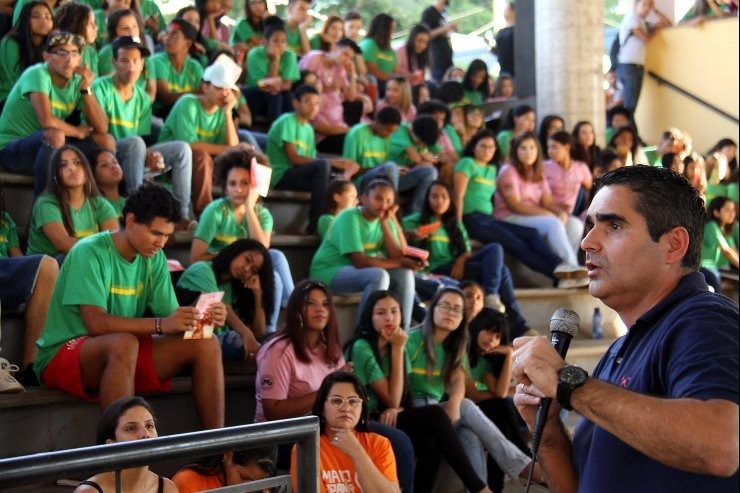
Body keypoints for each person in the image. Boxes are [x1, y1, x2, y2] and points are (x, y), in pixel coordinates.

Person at [513, 166, 739, 491]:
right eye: (590, 225)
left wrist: (569, 384)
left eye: (613, 225)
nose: (587, 242)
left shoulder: (704, 318)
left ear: (674, 244)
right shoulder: (621, 348)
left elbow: (720, 446)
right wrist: (546, 430)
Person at [33, 184, 227, 429]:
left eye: (167, 235)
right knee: (123, 342)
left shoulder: (154, 257)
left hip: (123, 352)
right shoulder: (89, 251)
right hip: (65, 352)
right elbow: (96, 323)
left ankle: (218, 450)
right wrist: (160, 324)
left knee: (206, 343)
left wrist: (200, 316)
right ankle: (123, 456)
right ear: (132, 221)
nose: (162, 243)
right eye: (156, 233)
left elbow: (170, 317)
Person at [345, 290, 494, 493]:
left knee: (431, 441)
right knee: (435, 414)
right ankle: (478, 488)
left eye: (394, 311)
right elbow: (391, 399)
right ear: (369, 317)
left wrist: (397, 407)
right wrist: (398, 350)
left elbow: (402, 395)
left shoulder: (397, 344)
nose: (389, 318)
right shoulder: (362, 347)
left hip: (389, 416)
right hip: (364, 419)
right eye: (381, 312)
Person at [406, 287, 541, 488]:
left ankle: (482, 488)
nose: (451, 313)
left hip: (439, 409)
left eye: (457, 309)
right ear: (432, 308)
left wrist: (453, 404)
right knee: (470, 407)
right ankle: (521, 464)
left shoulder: (456, 344)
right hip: (412, 411)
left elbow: (458, 377)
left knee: (470, 434)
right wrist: (455, 405)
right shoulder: (410, 340)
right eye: (445, 306)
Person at [454, 129, 588, 287]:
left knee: (559, 228)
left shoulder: (492, 169)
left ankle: (566, 269)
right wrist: (458, 224)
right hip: (481, 217)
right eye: (523, 148)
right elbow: (459, 196)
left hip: (488, 218)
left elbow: (547, 201)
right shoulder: (494, 168)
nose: (528, 152)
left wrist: (560, 212)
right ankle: (565, 273)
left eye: (532, 148)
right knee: (521, 242)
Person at [403, 180, 532, 338]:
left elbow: (466, 250)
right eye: (434, 196)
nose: (439, 201)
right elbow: (398, 236)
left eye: (444, 197)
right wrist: (411, 235)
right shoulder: (415, 220)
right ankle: (519, 326)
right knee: (502, 271)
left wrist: (460, 260)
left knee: (495, 249)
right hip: (434, 269)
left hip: (456, 266)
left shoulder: (454, 224)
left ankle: (491, 295)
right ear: (427, 199)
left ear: (450, 200)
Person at [92, 35, 195, 227]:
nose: (131, 67)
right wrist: (141, 151)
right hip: (108, 154)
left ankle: (181, 216)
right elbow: (97, 133)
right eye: (124, 61)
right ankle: (139, 208)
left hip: (133, 154)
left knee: (182, 149)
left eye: (136, 61)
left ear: (142, 65)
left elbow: (140, 138)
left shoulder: (142, 97)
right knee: (135, 143)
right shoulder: (100, 88)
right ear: (114, 62)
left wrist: (151, 157)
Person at [189, 147, 292, 334]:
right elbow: (196, 257)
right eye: (232, 183)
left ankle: (274, 323)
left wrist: (249, 208)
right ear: (225, 186)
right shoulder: (216, 211)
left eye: (245, 183)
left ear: (254, 186)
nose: (238, 189)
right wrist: (230, 255)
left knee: (274, 259)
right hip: (218, 267)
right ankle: (279, 319)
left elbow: (261, 249)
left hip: (245, 276)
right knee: (273, 269)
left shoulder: (263, 214)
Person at [0, 31, 113, 196]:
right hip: (11, 151)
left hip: (50, 149)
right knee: (55, 136)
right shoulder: (37, 73)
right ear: (46, 57)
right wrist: (77, 132)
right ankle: (45, 209)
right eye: (61, 53)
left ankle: (106, 207)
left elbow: (102, 127)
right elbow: (46, 120)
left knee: (106, 141)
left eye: (74, 53)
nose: (69, 59)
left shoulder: (77, 82)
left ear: (80, 59)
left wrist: (86, 89)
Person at [309, 179, 421, 332]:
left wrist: (385, 224)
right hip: (329, 271)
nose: (383, 205)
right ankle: (364, 333)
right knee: (379, 276)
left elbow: (396, 255)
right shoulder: (349, 216)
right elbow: (360, 261)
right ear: (363, 198)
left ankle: (401, 331)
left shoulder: (382, 220)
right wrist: (402, 262)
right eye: (378, 199)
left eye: (388, 201)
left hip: (357, 273)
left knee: (404, 274)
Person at [267, 85, 358, 234]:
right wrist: (332, 162)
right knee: (323, 166)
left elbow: (310, 159)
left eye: (317, 104)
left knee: (338, 181)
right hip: (280, 174)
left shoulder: (309, 129)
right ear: (296, 103)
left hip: (298, 173)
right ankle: (315, 225)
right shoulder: (287, 121)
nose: (313, 107)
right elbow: (294, 159)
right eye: (308, 102)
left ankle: (337, 225)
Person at [290, 370, 401, 493]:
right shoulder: (307, 448)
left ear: (362, 407)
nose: (346, 408)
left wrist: (357, 453)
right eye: (337, 401)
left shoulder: (380, 444)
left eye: (353, 401)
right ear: (322, 408)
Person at [157, 61, 240, 217]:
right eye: (219, 88)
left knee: (245, 158)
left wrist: (229, 113)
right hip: (169, 163)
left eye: (228, 90)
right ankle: (205, 214)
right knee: (201, 156)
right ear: (205, 87)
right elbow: (191, 145)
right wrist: (225, 150)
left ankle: (240, 215)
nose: (224, 94)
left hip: (204, 166)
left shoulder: (223, 112)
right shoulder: (188, 103)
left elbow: (233, 149)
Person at [465, 307, 532, 492]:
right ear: (477, 328)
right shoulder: (463, 352)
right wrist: (496, 395)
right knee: (501, 404)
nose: (492, 340)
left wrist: (508, 356)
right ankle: (524, 453)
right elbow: (473, 395)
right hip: (464, 410)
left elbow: (500, 391)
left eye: (497, 337)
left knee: (502, 424)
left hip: (486, 410)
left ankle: (496, 488)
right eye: (489, 333)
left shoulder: (486, 359)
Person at [177, 238, 274, 363]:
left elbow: (258, 333)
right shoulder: (202, 269)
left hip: (222, 341)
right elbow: (219, 305)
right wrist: (246, 334)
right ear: (236, 251)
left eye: (253, 270)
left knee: (276, 342)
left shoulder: (233, 287)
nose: (246, 269)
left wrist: (258, 293)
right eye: (247, 259)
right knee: (242, 343)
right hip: (197, 340)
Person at [0, 185, 58, 383]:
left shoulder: (5, 220)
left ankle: (30, 368)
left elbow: (17, 257)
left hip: (5, 270)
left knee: (47, 265)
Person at [27, 145, 119, 258]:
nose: (72, 168)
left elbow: (113, 241)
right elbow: (62, 243)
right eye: (63, 165)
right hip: (50, 267)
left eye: (77, 163)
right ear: (55, 175)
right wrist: (100, 250)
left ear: (87, 171)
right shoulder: (46, 203)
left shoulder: (100, 204)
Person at [74, 396, 178, 493]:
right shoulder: (90, 491)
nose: (145, 434)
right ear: (111, 444)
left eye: (149, 425)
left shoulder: (167, 488)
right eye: (131, 428)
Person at [616, 0, 671, 115]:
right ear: (636, 5)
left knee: (632, 106)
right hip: (628, 66)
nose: (647, 8)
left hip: (637, 66)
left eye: (650, 5)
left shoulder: (643, 23)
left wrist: (656, 12)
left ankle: (629, 131)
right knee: (629, 107)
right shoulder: (632, 19)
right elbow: (646, 39)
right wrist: (656, 30)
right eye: (644, 4)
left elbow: (668, 23)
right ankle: (628, 131)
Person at [244, 16, 300, 124]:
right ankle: (273, 129)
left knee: (287, 95)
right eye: (275, 41)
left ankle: (288, 130)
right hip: (256, 92)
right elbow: (262, 84)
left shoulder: (289, 56)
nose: (280, 45)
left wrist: (275, 85)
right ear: (265, 41)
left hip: (277, 92)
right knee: (274, 95)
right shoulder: (254, 54)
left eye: (284, 41)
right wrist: (276, 61)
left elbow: (287, 84)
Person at [543, 130, 593, 250]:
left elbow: (590, 190)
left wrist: (585, 210)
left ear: (567, 147)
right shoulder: (544, 167)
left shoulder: (580, 167)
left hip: (573, 213)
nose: (550, 151)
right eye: (548, 147)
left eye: (554, 147)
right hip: (550, 211)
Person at [0, 0, 54, 110]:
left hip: (41, 98)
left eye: (48, 17)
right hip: (11, 99)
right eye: (36, 16)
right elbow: (14, 81)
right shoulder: (11, 42)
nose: (43, 20)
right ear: (26, 20)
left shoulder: (52, 46)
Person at [97, 10, 157, 103]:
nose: (132, 33)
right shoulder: (109, 51)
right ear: (114, 32)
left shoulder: (145, 53)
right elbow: (109, 89)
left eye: (135, 27)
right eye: (125, 28)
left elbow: (151, 91)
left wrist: (142, 108)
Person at [151, 18, 204, 118]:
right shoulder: (157, 61)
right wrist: (199, 92)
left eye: (174, 35)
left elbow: (205, 92)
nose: (167, 38)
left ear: (187, 43)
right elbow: (166, 99)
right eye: (167, 33)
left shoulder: (195, 67)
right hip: (161, 116)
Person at [173, 446, 277, 493]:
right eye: (243, 477)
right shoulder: (189, 482)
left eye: (257, 484)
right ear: (228, 456)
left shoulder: (260, 490)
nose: (249, 489)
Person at [700, 196, 738, 293]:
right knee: (715, 281)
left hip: (715, 267)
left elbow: (733, 250)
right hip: (703, 267)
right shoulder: (711, 226)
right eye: (727, 210)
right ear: (716, 212)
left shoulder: (724, 230)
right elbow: (727, 252)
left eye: (733, 210)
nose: (732, 214)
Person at [54, 1, 99, 76]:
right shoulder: (57, 52)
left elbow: (94, 84)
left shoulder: (91, 52)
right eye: (90, 23)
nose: (96, 27)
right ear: (76, 25)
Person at [359, 13, 397, 97]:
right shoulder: (368, 44)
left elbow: (396, 71)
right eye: (391, 29)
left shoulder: (390, 50)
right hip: (375, 84)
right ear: (383, 29)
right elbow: (373, 71)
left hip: (389, 84)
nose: (393, 33)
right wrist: (391, 78)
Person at [421, 0, 458, 83]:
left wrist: (450, 28)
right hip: (436, 59)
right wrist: (443, 29)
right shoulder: (428, 13)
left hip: (447, 57)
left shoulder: (442, 14)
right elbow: (424, 35)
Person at [88, 147, 126, 217]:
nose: (113, 167)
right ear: (92, 175)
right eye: (104, 165)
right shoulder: (95, 207)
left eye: (114, 162)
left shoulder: (129, 202)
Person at [494, 2, 515, 76]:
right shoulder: (501, 32)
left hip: (515, 71)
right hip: (503, 71)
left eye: (506, 8)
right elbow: (498, 51)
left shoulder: (518, 31)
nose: (504, 11)